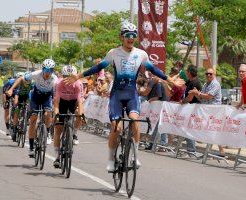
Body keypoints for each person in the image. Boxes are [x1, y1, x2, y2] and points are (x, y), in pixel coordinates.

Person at [64, 22, 184, 172]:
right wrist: (78, 76)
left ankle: (135, 156)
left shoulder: (141, 54)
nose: (131, 38)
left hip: (131, 94)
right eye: (128, 35)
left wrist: (169, 79)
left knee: (135, 121)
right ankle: (110, 158)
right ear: (121, 37)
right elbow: (98, 67)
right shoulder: (113, 52)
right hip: (117, 95)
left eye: (134, 35)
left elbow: (153, 69)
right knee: (116, 128)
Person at [7, 59, 57, 157]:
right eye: (46, 70)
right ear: (42, 69)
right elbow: (21, 78)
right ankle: (31, 147)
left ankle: (47, 133)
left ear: (53, 71)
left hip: (47, 97)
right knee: (33, 119)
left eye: (50, 70)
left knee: (47, 113)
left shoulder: (55, 79)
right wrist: (11, 89)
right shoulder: (36, 74)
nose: (47, 73)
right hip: (35, 97)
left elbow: (56, 93)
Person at [52, 65, 84, 168]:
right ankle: (57, 156)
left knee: (80, 113)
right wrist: (56, 113)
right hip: (62, 102)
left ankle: (74, 133)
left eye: (70, 76)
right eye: (65, 76)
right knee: (58, 129)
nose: (67, 78)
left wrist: (81, 114)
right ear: (62, 75)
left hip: (73, 102)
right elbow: (56, 102)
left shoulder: (78, 84)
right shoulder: (58, 83)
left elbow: (80, 101)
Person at [189, 67, 224, 156]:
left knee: (213, 129)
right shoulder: (205, 84)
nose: (208, 75)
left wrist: (198, 93)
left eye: (210, 74)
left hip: (214, 111)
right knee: (212, 130)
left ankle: (213, 152)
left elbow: (209, 96)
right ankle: (218, 151)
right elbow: (201, 98)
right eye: (207, 73)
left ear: (214, 75)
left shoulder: (215, 84)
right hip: (207, 111)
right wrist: (195, 93)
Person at [181, 65, 202, 152]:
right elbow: (182, 86)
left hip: (193, 109)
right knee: (186, 129)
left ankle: (191, 150)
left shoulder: (195, 83)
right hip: (188, 109)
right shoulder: (189, 81)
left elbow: (190, 98)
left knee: (188, 129)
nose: (186, 73)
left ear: (189, 72)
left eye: (187, 71)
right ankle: (190, 149)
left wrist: (182, 102)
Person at [11, 72, 33, 142]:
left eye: (29, 81)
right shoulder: (20, 84)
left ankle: (26, 118)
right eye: (26, 81)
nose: (27, 82)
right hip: (19, 96)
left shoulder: (32, 83)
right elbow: (16, 95)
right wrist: (15, 103)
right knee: (17, 111)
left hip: (26, 97)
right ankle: (14, 130)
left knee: (30, 107)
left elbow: (32, 95)